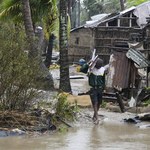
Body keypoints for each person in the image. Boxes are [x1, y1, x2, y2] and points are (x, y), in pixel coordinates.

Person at [79, 58, 105, 124]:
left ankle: (94, 116)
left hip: (100, 88)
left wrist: (103, 88)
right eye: (98, 65)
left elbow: (103, 80)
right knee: (95, 102)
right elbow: (81, 69)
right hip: (93, 88)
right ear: (95, 65)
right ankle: (97, 118)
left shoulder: (102, 70)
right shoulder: (91, 69)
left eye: (100, 66)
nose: (99, 67)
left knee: (99, 103)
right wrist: (88, 63)